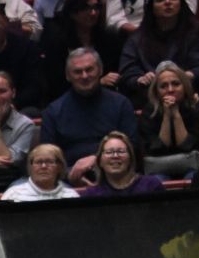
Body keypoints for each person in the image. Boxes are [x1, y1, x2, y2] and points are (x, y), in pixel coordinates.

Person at [41, 48, 138, 182]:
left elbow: (132, 146)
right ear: (68, 76)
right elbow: (47, 156)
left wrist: (97, 159)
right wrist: (69, 174)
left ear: (100, 70)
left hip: (116, 176)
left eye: (89, 69)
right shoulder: (53, 111)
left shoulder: (121, 104)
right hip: (69, 181)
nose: (85, 76)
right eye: (77, 72)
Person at [118, 0, 199, 100]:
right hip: (149, 97)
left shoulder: (197, 32)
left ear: (181, 3)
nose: (168, 2)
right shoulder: (137, 38)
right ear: (151, 7)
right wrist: (140, 79)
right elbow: (128, 72)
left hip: (191, 94)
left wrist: (182, 78)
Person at [136, 61, 199, 180]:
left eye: (176, 84)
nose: (170, 90)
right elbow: (158, 148)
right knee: (157, 181)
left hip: (193, 165)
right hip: (159, 166)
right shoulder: (149, 112)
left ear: (185, 86)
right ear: (156, 91)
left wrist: (175, 114)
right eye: (163, 86)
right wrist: (166, 115)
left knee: (195, 178)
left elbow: (187, 145)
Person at [79, 131, 164, 196]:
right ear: (100, 161)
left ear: (130, 158)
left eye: (121, 151)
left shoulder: (151, 185)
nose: (115, 156)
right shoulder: (92, 194)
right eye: (109, 152)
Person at [0, 143, 80, 202]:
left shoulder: (71, 195)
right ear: (30, 167)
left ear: (59, 166)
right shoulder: (13, 194)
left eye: (49, 161)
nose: (43, 166)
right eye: (38, 162)